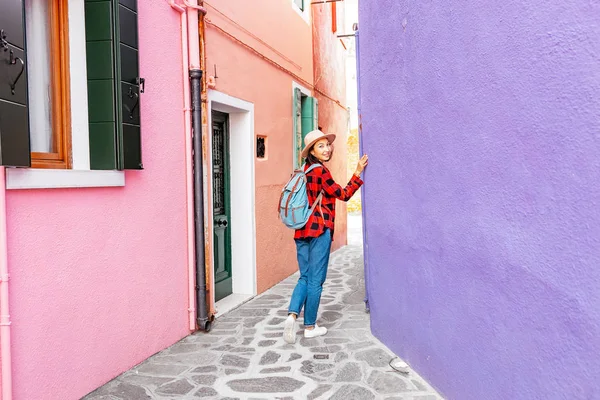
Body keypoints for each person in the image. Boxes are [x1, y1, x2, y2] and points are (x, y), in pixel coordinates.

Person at [283, 129, 368, 343]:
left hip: (301, 230)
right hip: (319, 230)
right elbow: (344, 194)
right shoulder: (321, 172)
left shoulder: (302, 170)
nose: (327, 149)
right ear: (312, 151)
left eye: (327, 145)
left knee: (304, 276)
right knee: (316, 281)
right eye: (320, 146)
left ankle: (292, 315)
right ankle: (310, 326)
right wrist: (357, 173)